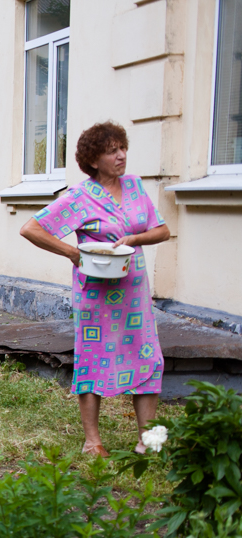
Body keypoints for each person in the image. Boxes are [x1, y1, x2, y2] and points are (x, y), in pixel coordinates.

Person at [20, 121, 170, 457]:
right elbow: (30, 229)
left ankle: (148, 441)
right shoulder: (80, 197)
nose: (121, 156)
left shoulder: (134, 187)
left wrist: (135, 238)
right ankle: (92, 441)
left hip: (134, 292)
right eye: (112, 151)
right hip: (96, 294)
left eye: (123, 148)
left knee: (149, 358)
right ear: (93, 160)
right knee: (93, 359)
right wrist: (72, 252)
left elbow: (162, 231)